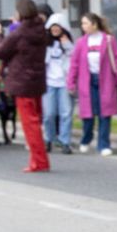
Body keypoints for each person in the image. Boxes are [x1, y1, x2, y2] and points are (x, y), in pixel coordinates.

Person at [0, 0, 50, 172]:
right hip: (37, 80)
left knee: (29, 124)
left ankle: (39, 161)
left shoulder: (19, 33)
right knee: (36, 121)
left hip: (22, 82)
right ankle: (40, 159)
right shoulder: (41, 30)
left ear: (21, 13)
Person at [67, 12, 117, 156]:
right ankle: (86, 139)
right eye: (82, 23)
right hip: (87, 82)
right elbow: (74, 64)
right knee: (88, 115)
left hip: (105, 81)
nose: (83, 27)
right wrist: (71, 82)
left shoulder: (108, 40)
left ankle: (104, 144)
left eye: (85, 23)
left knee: (104, 114)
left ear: (94, 24)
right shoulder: (81, 42)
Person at [43, 17, 75, 153]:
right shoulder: (46, 44)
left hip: (64, 83)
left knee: (66, 113)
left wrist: (67, 44)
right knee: (49, 114)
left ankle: (65, 142)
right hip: (49, 82)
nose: (55, 29)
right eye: (52, 27)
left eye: (58, 26)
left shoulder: (68, 43)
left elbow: (74, 57)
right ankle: (48, 138)